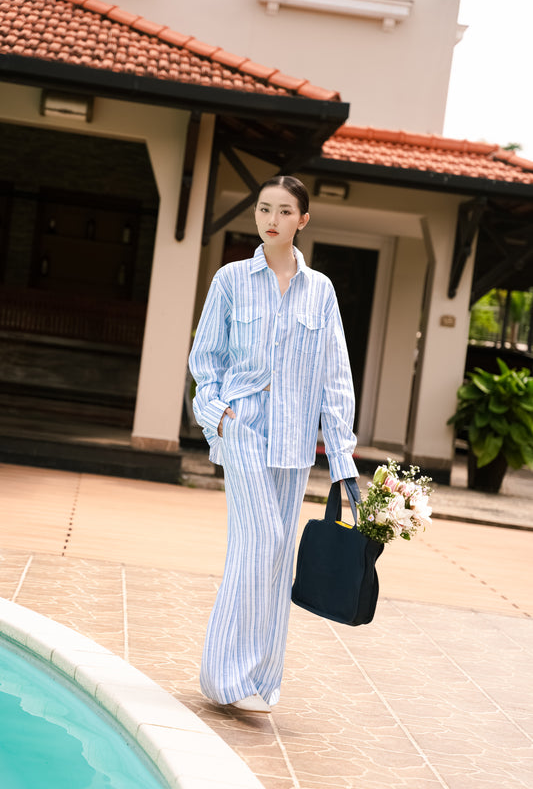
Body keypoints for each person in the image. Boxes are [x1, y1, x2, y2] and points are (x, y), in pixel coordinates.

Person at [188, 175, 357, 713]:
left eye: (285, 211)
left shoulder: (321, 290)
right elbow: (206, 359)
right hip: (243, 431)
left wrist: (343, 460)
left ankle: (260, 680)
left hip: (293, 442)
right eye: (265, 209)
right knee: (259, 542)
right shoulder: (231, 279)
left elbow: (335, 377)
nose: (272, 219)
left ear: (302, 220)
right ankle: (224, 677)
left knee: (276, 553)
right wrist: (219, 416)